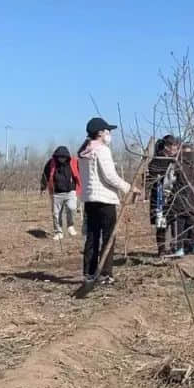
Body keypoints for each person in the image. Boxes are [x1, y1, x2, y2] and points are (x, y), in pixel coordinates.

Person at [78, 117, 135, 283]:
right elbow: (110, 176)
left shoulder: (84, 151)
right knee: (109, 237)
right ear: (100, 133)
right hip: (105, 199)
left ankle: (89, 272)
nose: (110, 134)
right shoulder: (102, 150)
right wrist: (128, 187)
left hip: (90, 199)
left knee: (92, 236)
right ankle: (105, 273)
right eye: (108, 131)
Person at [171, 145, 194, 257]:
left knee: (180, 223)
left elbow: (170, 182)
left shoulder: (178, 166)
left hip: (181, 199)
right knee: (192, 223)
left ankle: (180, 248)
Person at [147, 136, 180, 257]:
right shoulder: (157, 160)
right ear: (167, 147)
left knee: (173, 221)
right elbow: (153, 176)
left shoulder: (174, 160)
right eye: (174, 146)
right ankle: (161, 249)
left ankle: (173, 246)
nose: (176, 149)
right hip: (159, 196)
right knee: (161, 223)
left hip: (172, 195)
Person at [40, 146, 81, 240]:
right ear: (56, 156)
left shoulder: (73, 162)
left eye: (64, 157)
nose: (62, 158)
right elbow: (45, 175)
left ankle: (70, 226)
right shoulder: (51, 163)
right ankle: (58, 232)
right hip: (56, 193)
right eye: (60, 157)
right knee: (56, 214)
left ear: (67, 156)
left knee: (72, 208)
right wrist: (43, 187)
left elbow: (80, 172)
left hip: (70, 191)